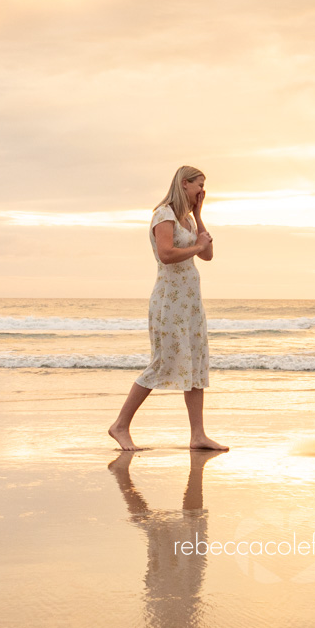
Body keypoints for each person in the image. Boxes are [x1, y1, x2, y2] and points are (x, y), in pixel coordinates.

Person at [108, 166, 228, 451]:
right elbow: (166, 254)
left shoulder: (187, 220)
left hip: (191, 304)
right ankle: (120, 425)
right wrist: (197, 247)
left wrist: (198, 217)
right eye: (199, 185)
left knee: (197, 364)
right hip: (169, 302)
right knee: (162, 363)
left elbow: (208, 254)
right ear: (184, 184)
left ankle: (198, 435)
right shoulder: (164, 214)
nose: (203, 191)